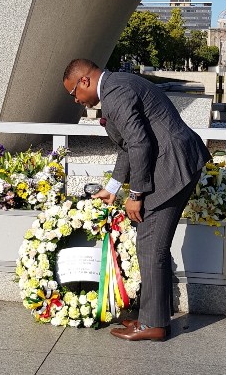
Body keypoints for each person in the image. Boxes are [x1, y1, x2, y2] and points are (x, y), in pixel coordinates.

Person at [63, 58, 210, 341]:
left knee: (151, 244)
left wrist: (136, 194)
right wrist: (113, 187)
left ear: (84, 81)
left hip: (172, 167)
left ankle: (153, 325)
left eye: (73, 93)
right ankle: (151, 317)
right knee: (151, 243)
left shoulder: (114, 92)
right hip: (177, 163)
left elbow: (141, 144)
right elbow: (129, 146)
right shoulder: (117, 85)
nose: (75, 99)